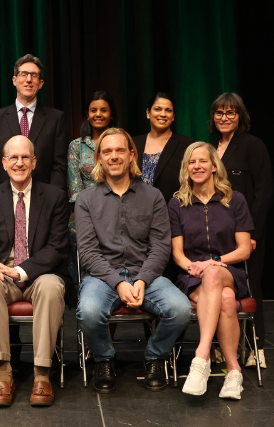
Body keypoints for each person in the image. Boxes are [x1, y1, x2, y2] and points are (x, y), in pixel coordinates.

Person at [75, 128, 191, 393]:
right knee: (89, 312)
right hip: (103, 277)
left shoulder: (153, 196)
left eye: (119, 150)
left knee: (181, 309)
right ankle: (104, 359)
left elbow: (161, 247)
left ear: (131, 155)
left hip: (145, 275)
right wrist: (118, 283)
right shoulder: (86, 200)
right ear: (99, 159)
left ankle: (155, 357)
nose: (113, 156)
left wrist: (141, 279)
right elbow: (88, 251)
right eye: (107, 151)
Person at [0, 136, 72, 407]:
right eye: (13, 158)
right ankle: (3, 374)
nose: (19, 163)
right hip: (3, 272)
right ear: (4, 163)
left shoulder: (54, 197)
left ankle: (42, 374)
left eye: (25, 157)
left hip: (40, 273)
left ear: (34, 162)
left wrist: (21, 271)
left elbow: (57, 248)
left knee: (53, 287)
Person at [168, 141, 254, 400]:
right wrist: (195, 268)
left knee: (215, 275)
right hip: (191, 276)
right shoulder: (176, 203)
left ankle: (201, 357)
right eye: (191, 162)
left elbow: (243, 250)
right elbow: (178, 254)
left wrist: (212, 263)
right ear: (186, 168)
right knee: (227, 300)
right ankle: (233, 372)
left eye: (202, 161)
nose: (197, 166)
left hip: (229, 271)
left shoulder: (234, 200)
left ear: (214, 166)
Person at [210, 93, 273, 368]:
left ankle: (255, 347)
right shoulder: (211, 147)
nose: (225, 118)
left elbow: (264, 191)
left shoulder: (252, 145)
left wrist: (254, 232)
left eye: (231, 113)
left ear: (240, 116)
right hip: (215, 230)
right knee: (217, 287)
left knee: (250, 286)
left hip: (245, 232)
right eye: (220, 113)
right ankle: (221, 348)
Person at [0, 53, 69, 192]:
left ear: (41, 83)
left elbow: (59, 166)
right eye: (23, 74)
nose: (28, 79)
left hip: (44, 199)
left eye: (34, 75)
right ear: (14, 80)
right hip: (4, 200)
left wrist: (53, 198)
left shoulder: (56, 118)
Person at [67, 90, 118, 282]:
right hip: (83, 215)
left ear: (111, 114)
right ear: (87, 115)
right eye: (93, 110)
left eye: (103, 110)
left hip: (116, 212)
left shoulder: (121, 142)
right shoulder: (76, 146)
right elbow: (75, 190)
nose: (98, 114)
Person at [133, 92, 195, 204]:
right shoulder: (133, 143)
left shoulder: (187, 145)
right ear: (148, 113)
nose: (163, 114)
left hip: (171, 213)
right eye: (157, 109)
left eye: (168, 110)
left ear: (173, 117)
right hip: (135, 212)